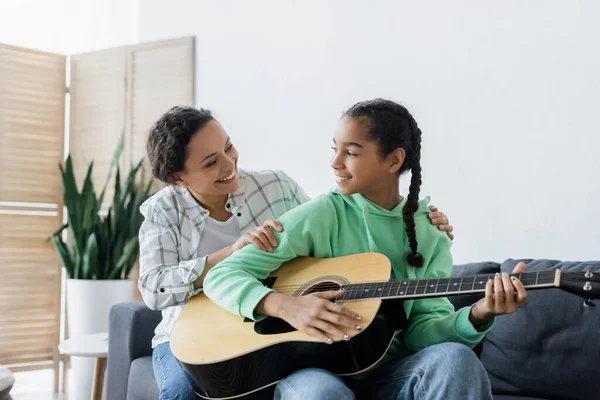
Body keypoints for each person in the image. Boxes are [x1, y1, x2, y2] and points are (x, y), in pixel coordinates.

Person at [203, 99, 528, 400]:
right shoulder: (322, 214)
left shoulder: (430, 233)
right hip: (313, 369)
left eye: (351, 152)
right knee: (320, 394)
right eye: (335, 149)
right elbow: (222, 275)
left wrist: (480, 312)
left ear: (393, 160)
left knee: (456, 359)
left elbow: (421, 335)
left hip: (391, 372)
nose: (334, 162)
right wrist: (285, 307)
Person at [137, 105, 455, 400]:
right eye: (211, 162)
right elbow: (154, 288)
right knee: (182, 391)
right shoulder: (163, 213)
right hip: (193, 333)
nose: (229, 163)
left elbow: (328, 234)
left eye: (228, 147)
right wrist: (231, 253)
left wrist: (412, 222)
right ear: (179, 179)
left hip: (270, 332)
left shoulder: (276, 185)